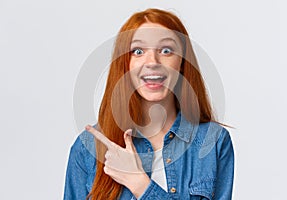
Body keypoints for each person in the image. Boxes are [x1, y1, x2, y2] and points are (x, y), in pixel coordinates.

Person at [63, 8, 234, 200]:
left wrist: (139, 183)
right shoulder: (87, 149)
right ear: (125, 64)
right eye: (138, 51)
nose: (152, 61)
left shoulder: (212, 142)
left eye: (166, 50)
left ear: (183, 63)